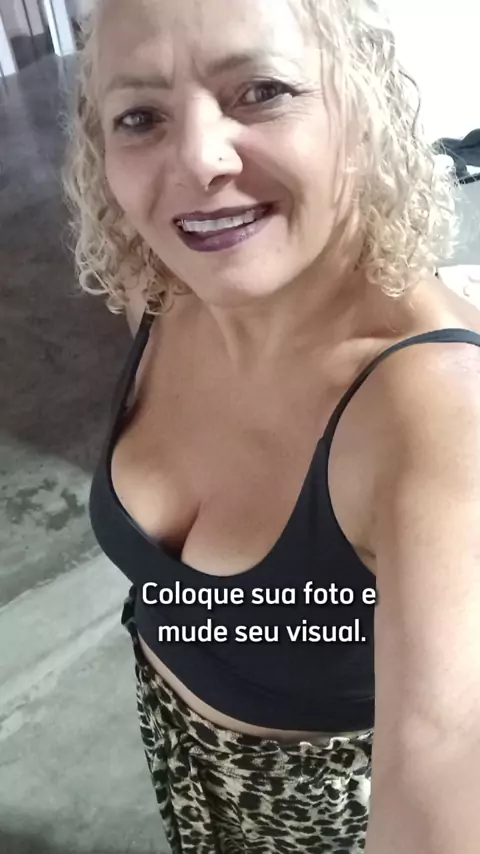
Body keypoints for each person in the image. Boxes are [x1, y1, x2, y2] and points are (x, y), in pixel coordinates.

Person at [63, 0, 480, 851]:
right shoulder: (165, 284)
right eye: (140, 116)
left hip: (319, 817)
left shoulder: (439, 411)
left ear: (358, 105)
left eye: (261, 91)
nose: (198, 160)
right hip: (179, 749)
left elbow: (446, 755)